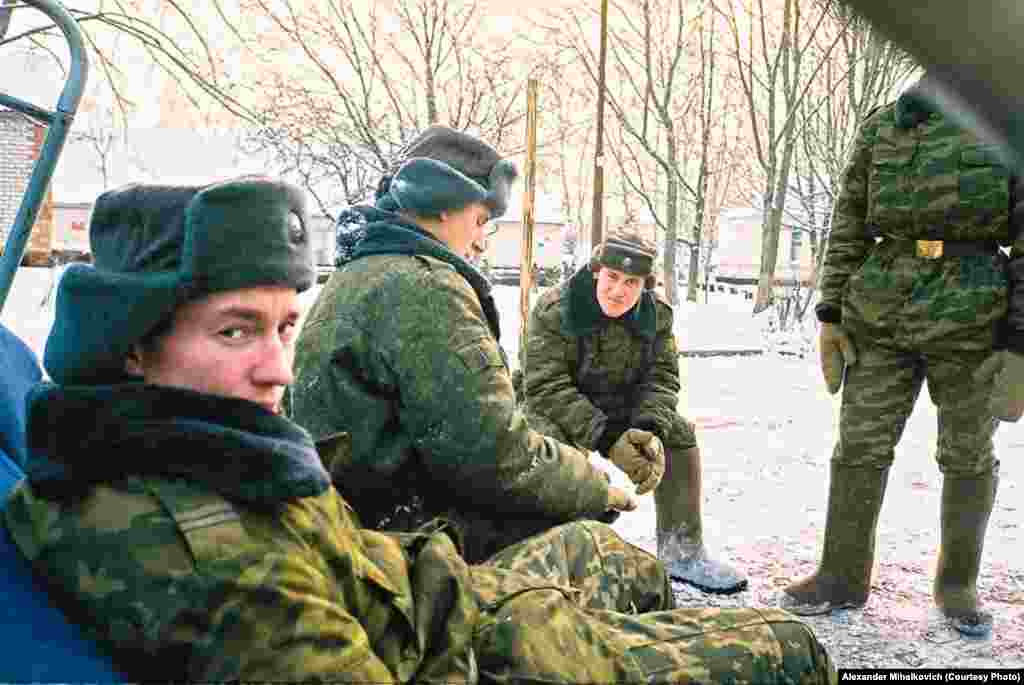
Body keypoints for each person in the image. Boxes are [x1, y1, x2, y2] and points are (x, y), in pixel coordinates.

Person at [2, 176, 836, 682]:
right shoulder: (207, 556)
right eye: (234, 331)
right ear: (136, 347)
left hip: (438, 593)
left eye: (285, 326)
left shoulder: (189, 447)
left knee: (611, 558)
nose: (277, 367)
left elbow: (644, 380)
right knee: (788, 647)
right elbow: (503, 428)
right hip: (471, 651)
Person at [291, 126, 649, 562]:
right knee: (612, 559)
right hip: (397, 547)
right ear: (441, 205)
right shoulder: (424, 286)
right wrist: (597, 487)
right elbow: (494, 459)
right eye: (480, 221)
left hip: (349, 526)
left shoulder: (360, 274)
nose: (481, 241)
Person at [780, 73, 1023, 637]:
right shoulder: (886, 126)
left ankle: (957, 584)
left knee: (966, 452)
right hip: (880, 312)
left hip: (974, 315)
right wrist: (832, 314)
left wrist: (1018, 345)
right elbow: (849, 222)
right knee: (860, 444)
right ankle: (840, 576)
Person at [521, 231, 748, 595]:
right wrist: (609, 439)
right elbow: (545, 387)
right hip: (560, 402)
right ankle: (550, 554)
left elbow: (662, 378)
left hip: (621, 401)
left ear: (645, 285)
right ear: (597, 272)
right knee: (545, 443)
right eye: (612, 277)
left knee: (679, 432)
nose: (618, 291)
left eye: (631, 282)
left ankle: (682, 551)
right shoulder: (554, 310)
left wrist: (647, 430)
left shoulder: (656, 316)